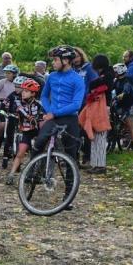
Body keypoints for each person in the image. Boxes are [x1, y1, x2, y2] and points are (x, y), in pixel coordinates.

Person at [35, 46, 84, 211]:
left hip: (69, 118)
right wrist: (49, 111)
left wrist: (54, 113)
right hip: (53, 116)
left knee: (71, 157)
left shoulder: (77, 80)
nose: (53, 63)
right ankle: (34, 172)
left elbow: (76, 104)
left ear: (66, 61)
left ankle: (68, 195)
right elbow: (43, 96)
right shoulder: (51, 77)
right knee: (39, 141)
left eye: (56, 60)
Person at [5, 79, 44, 185]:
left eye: (26, 91)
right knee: (20, 153)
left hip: (38, 131)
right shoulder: (18, 102)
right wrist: (31, 118)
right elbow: (21, 111)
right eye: (23, 90)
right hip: (26, 131)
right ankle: (11, 175)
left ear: (33, 93)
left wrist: (41, 117)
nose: (23, 93)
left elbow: (44, 115)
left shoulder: (40, 104)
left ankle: (37, 174)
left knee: (38, 153)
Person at [84, 55, 114, 174]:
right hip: (100, 105)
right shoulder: (106, 75)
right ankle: (96, 163)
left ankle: (100, 164)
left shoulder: (107, 76)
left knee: (100, 135)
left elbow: (95, 85)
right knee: (96, 135)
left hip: (103, 106)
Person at [112, 63, 133, 150]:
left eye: (115, 71)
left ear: (120, 71)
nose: (114, 73)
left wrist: (122, 94)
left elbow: (127, 89)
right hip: (119, 103)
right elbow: (112, 89)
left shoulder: (128, 79)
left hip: (128, 104)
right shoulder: (116, 80)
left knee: (130, 122)